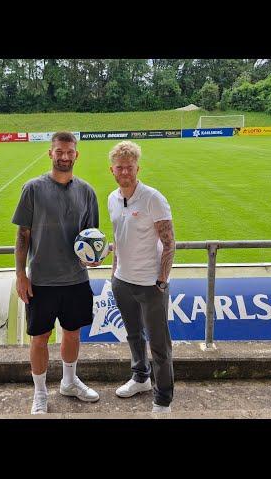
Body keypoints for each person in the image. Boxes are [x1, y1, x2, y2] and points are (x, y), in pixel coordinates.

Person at [12, 131, 105, 414]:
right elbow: (22, 235)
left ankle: (69, 382)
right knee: (39, 338)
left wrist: (95, 259)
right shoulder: (33, 189)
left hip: (76, 280)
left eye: (69, 152)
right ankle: (40, 393)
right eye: (59, 152)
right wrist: (20, 274)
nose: (64, 156)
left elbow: (91, 239)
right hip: (41, 280)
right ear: (50, 154)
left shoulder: (87, 192)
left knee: (73, 334)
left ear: (76, 155)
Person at [107, 140, 176, 413]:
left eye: (130, 167)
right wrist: (114, 274)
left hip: (150, 284)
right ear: (112, 170)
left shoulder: (152, 198)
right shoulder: (112, 198)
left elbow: (169, 242)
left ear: (138, 168)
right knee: (134, 336)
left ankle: (163, 400)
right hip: (122, 281)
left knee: (159, 345)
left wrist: (161, 280)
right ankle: (140, 378)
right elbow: (117, 238)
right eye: (120, 167)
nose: (125, 172)